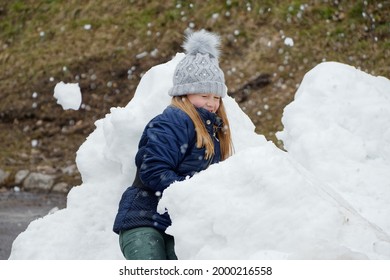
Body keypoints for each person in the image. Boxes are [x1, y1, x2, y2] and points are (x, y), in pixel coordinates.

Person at [113, 29, 234, 260]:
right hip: (144, 220)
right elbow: (153, 170)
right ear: (184, 94)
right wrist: (190, 193)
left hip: (177, 225)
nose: (211, 103)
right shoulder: (173, 121)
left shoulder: (214, 131)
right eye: (203, 95)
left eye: (216, 97)